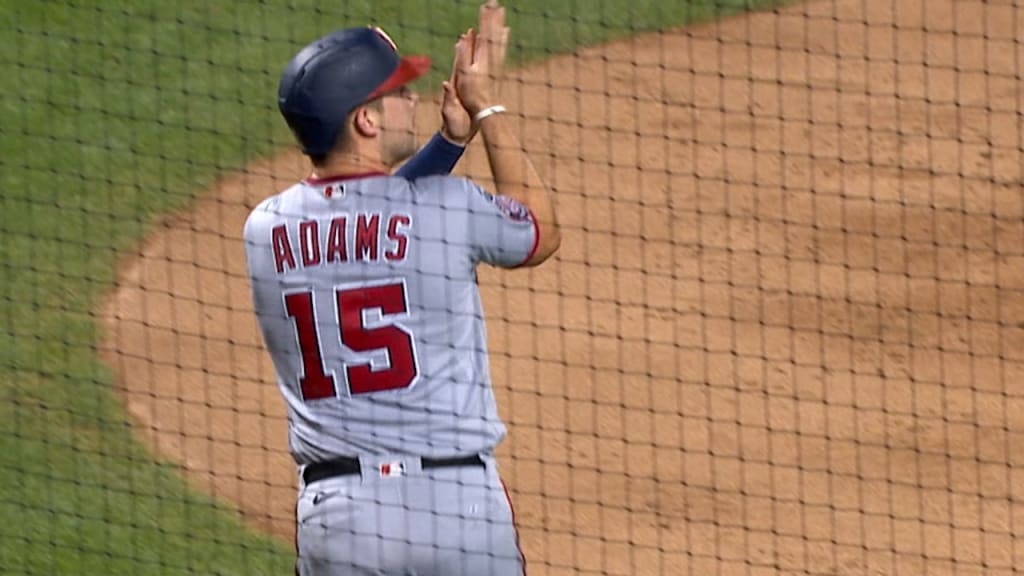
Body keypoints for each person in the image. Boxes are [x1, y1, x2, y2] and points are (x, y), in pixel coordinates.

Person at [242, 1, 560, 573]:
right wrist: (486, 105)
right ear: (365, 120)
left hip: (339, 520)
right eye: (398, 91)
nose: (412, 97)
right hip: (455, 511)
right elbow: (538, 229)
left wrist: (447, 143)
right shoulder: (445, 206)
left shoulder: (266, 229)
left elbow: (358, 220)